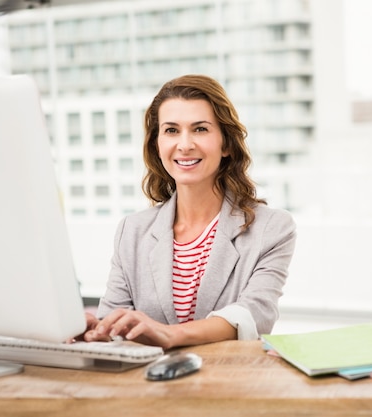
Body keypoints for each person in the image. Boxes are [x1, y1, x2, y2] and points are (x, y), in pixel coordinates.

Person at [81, 74, 296, 349]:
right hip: (146, 387)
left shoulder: (271, 228)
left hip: (229, 384)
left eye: (200, 129)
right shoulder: (132, 230)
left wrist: (170, 335)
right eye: (171, 130)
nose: (184, 145)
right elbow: (115, 323)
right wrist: (98, 331)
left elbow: (254, 314)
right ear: (157, 144)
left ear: (226, 143)